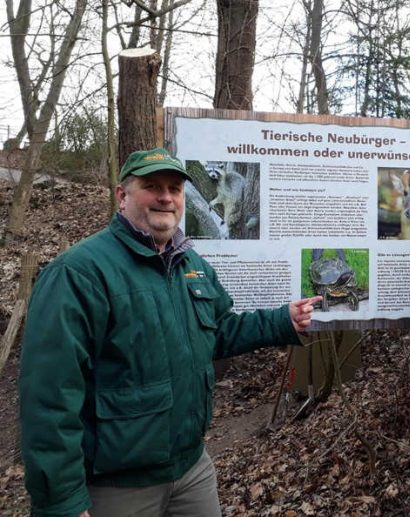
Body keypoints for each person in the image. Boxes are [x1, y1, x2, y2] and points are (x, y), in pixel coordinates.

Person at [19, 148, 322, 517]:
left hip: (191, 469)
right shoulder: (80, 273)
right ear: (122, 195)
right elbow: (50, 392)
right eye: (152, 186)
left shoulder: (190, 264)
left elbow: (219, 330)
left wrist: (281, 322)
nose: (166, 196)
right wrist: (62, 501)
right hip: (116, 486)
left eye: (175, 188)